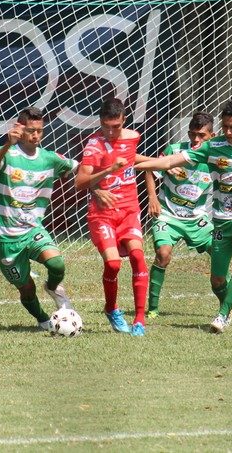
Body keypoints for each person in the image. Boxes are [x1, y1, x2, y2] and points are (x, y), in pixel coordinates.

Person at [136, 99, 232, 333]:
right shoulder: (212, 147)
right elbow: (169, 161)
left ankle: (222, 316)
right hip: (221, 222)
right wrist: (130, 163)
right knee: (217, 280)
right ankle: (223, 308)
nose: (228, 132)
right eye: (225, 126)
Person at [0, 107, 78, 330]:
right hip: (6, 237)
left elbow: (81, 167)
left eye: (40, 131)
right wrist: (6, 144)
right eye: (30, 131)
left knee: (57, 263)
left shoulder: (49, 158)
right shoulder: (8, 154)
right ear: (20, 129)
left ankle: (52, 287)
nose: (36, 135)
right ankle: (44, 320)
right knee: (26, 289)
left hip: (32, 229)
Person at [75, 98, 150, 337]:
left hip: (129, 210)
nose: (110, 131)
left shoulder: (133, 137)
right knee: (113, 264)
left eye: (115, 126)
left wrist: (160, 164)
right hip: (102, 214)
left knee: (138, 256)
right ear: (100, 122)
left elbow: (131, 158)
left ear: (123, 120)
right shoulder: (94, 146)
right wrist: (107, 173)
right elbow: (80, 182)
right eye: (105, 126)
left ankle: (139, 320)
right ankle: (111, 308)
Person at [143, 112, 215, 318]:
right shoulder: (175, 151)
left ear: (212, 135)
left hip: (197, 218)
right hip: (168, 215)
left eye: (201, 135)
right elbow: (149, 169)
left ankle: (225, 309)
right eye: (192, 134)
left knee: (220, 253)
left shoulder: (216, 158)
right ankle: (153, 308)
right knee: (163, 254)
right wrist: (153, 198)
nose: (196, 140)